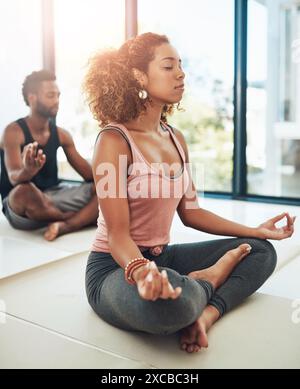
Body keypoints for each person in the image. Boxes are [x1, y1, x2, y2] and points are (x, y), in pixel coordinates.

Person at [84, 33, 296, 353]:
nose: (181, 73)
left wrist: (254, 230)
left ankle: (208, 313)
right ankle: (208, 280)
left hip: (163, 257)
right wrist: (142, 272)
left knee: (261, 251)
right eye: (168, 66)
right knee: (173, 309)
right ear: (139, 76)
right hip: (116, 268)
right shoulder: (113, 140)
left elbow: (192, 212)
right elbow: (116, 235)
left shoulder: (176, 138)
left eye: (180, 65)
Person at [0, 70, 98, 241]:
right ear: (32, 98)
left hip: (54, 197)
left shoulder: (62, 135)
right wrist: (28, 171)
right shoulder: (13, 132)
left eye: (58, 95)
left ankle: (66, 224)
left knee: (108, 187)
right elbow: (15, 178)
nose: (57, 101)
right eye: (50, 95)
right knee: (25, 190)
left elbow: (91, 176)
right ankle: (76, 220)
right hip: (22, 205)